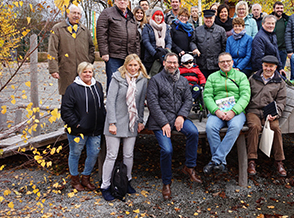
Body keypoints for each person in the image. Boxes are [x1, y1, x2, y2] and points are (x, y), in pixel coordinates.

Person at [146, 53, 202, 200]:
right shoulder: (155, 80)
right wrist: (164, 123)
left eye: (175, 63)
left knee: (193, 133)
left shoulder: (183, 80)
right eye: (169, 62)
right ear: (164, 63)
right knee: (167, 149)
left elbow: (188, 100)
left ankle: (189, 167)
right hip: (160, 120)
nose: (172, 65)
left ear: (178, 64)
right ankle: (166, 182)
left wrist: (181, 116)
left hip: (178, 117)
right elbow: (152, 103)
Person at [100, 54, 149, 201]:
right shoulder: (117, 78)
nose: (133, 68)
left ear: (139, 66)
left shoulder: (142, 80)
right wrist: (112, 123)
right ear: (125, 66)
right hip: (115, 122)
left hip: (131, 122)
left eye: (136, 65)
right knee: (112, 155)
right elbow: (110, 101)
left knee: (128, 154)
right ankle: (105, 186)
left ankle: (126, 182)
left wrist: (140, 120)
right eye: (130, 65)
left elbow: (140, 103)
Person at [203, 52, 251, 174]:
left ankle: (215, 160)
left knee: (235, 127)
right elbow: (207, 96)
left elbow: (245, 95)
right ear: (218, 64)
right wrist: (216, 111)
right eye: (222, 62)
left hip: (236, 111)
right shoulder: (212, 77)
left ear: (232, 62)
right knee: (210, 127)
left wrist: (234, 111)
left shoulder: (241, 76)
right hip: (217, 111)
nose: (225, 63)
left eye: (228, 61)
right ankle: (221, 163)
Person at [61, 62, 105, 192]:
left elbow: (101, 106)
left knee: (93, 153)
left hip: (95, 129)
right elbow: (65, 110)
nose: (87, 74)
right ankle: (75, 179)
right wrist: (76, 124)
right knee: (75, 153)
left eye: (90, 72)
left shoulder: (98, 86)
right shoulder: (72, 88)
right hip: (78, 130)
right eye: (84, 72)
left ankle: (86, 177)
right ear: (79, 73)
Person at [245, 55, 287, 177]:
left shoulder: (280, 82)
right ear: (262, 66)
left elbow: (281, 101)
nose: (268, 69)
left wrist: (275, 113)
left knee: (275, 128)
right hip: (253, 110)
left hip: (269, 112)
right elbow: (246, 95)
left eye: (271, 66)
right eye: (266, 66)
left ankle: (279, 161)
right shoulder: (253, 78)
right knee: (254, 127)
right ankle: (251, 160)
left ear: (275, 67)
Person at [48, 4, 95, 96]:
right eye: (74, 13)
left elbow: (91, 48)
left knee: (85, 95)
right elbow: (52, 50)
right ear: (68, 13)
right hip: (66, 69)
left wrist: (88, 62)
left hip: (83, 70)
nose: (76, 15)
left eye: (78, 13)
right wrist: (53, 69)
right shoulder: (58, 29)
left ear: (81, 16)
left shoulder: (84, 30)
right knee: (68, 96)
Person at [97, 0, 140, 89]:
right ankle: (111, 104)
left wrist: (136, 55)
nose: (122, 2)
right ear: (115, 1)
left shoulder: (131, 16)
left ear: (127, 2)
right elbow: (101, 33)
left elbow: (136, 37)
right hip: (114, 56)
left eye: (124, 0)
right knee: (114, 83)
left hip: (129, 56)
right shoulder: (107, 13)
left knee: (128, 83)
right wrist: (104, 52)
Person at [190, 9, 227, 78]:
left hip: (216, 65)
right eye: (206, 18)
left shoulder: (221, 30)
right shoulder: (197, 30)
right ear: (203, 18)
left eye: (210, 18)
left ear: (214, 18)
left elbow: (224, 46)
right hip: (201, 64)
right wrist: (194, 48)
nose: (208, 20)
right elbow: (192, 42)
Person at [142, 8, 172, 76]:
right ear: (153, 16)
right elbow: (146, 42)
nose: (159, 17)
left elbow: (169, 41)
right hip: (151, 56)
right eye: (157, 15)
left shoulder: (166, 27)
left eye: (161, 15)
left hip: (163, 55)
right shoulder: (147, 27)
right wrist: (155, 54)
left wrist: (167, 49)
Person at [271, 1, 289, 68]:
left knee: (281, 69)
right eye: (277, 8)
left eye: (281, 8)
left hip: (283, 50)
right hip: (272, 49)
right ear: (274, 9)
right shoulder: (269, 20)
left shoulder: (286, 20)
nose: (280, 10)